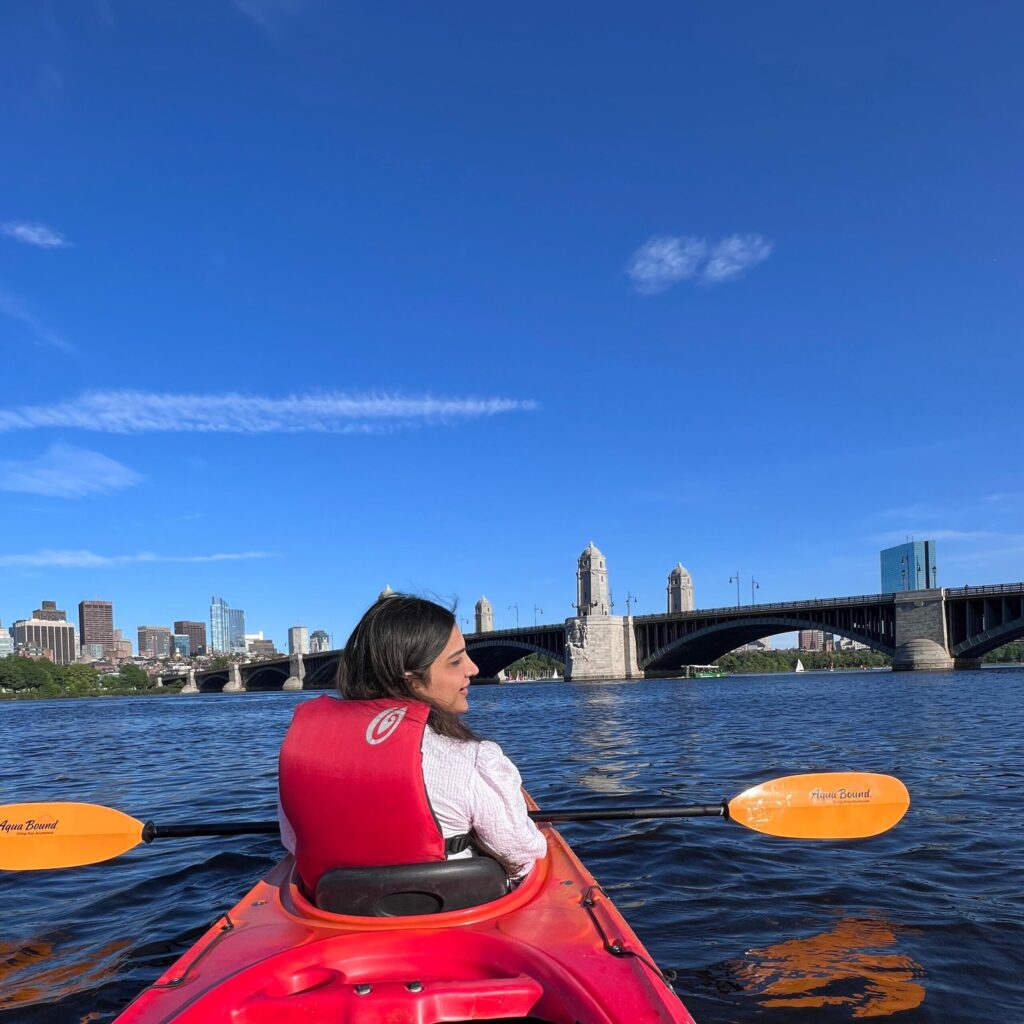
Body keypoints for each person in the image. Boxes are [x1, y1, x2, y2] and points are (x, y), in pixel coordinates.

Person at [278, 593, 546, 897]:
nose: (473, 668)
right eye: (456, 661)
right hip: (453, 915)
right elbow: (520, 857)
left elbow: (291, 841)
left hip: (335, 912)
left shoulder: (302, 752)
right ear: (411, 677)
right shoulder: (473, 759)